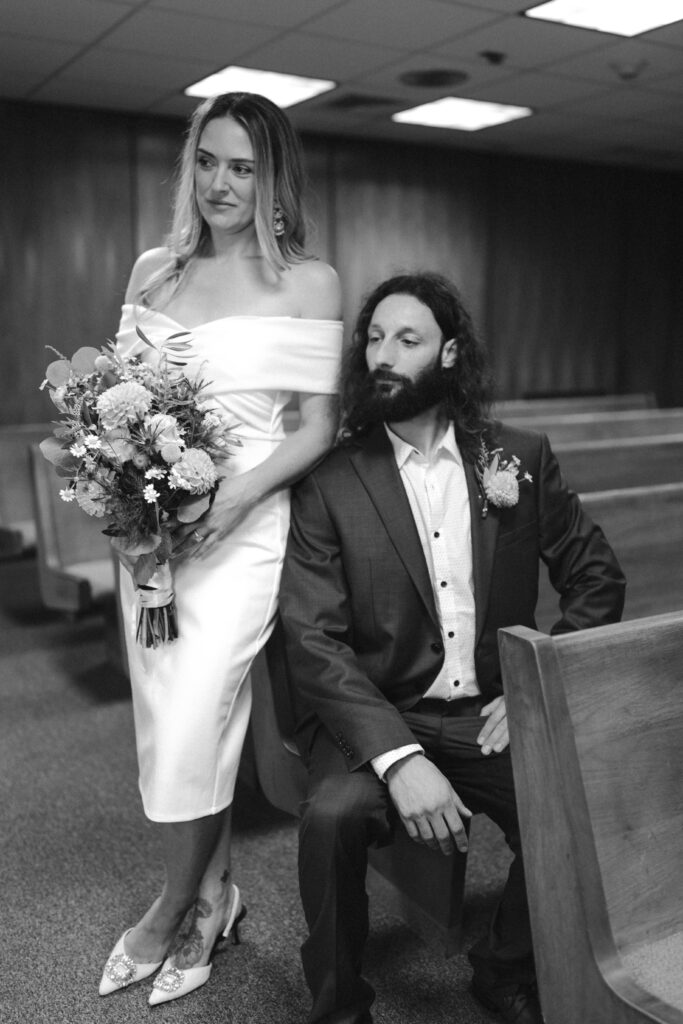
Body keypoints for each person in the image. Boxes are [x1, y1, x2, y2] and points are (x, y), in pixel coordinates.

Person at [278, 271, 625, 1024]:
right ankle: (339, 1006)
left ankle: (501, 967)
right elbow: (313, 641)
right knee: (333, 817)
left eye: (407, 339)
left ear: (448, 354)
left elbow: (595, 578)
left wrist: (534, 691)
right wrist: (398, 759)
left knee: (574, 806)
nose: (383, 353)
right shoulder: (330, 481)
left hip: (489, 712)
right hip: (378, 714)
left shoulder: (517, 459)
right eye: (373, 337)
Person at [99, 92, 342, 1006]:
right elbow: (116, 407)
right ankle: (215, 893)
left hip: (240, 528)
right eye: (208, 161)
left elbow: (319, 426)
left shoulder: (309, 282)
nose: (221, 183)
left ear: (273, 177)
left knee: (198, 709)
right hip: (154, 539)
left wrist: (238, 495)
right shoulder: (152, 272)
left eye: (243, 166)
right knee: (174, 718)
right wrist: (121, 503)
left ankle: (167, 909)